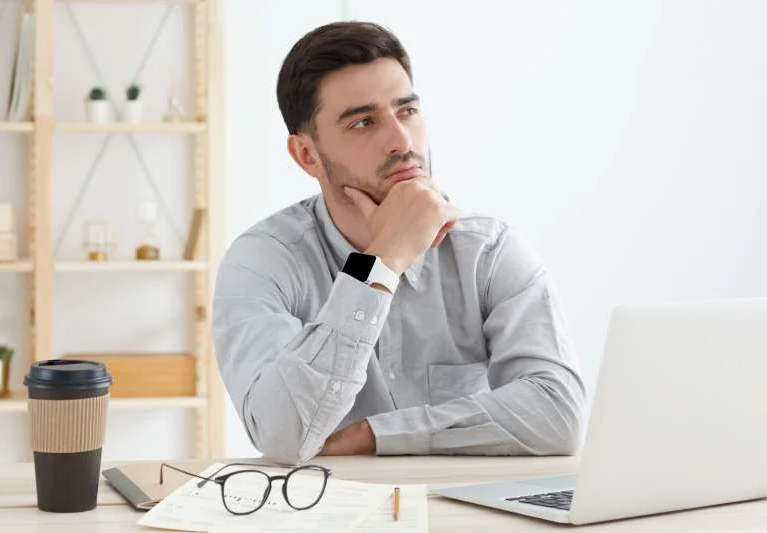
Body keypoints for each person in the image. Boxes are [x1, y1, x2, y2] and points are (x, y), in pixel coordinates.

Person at [213, 21, 586, 465]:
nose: (402, 141)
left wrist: (376, 434)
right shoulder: (262, 262)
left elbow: (558, 415)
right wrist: (382, 262)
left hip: (463, 509)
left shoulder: (488, 252)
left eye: (406, 111)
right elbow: (282, 434)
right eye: (364, 122)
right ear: (307, 155)